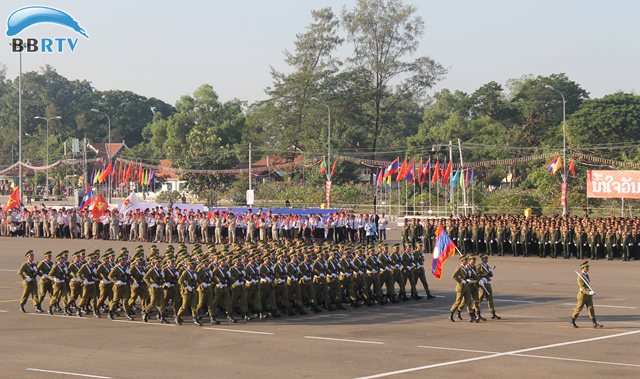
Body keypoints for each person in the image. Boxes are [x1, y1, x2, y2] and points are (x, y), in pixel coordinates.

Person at [570, 261, 603, 328]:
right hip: (583, 296)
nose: (588, 268)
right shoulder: (580, 277)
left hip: (588, 296)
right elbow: (582, 287)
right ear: (583, 268)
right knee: (578, 309)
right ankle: (572, 321)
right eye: (586, 267)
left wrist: (591, 291)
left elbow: (588, 285)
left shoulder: (586, 275)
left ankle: (594, 323)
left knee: (591, 308)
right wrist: (589, 292)